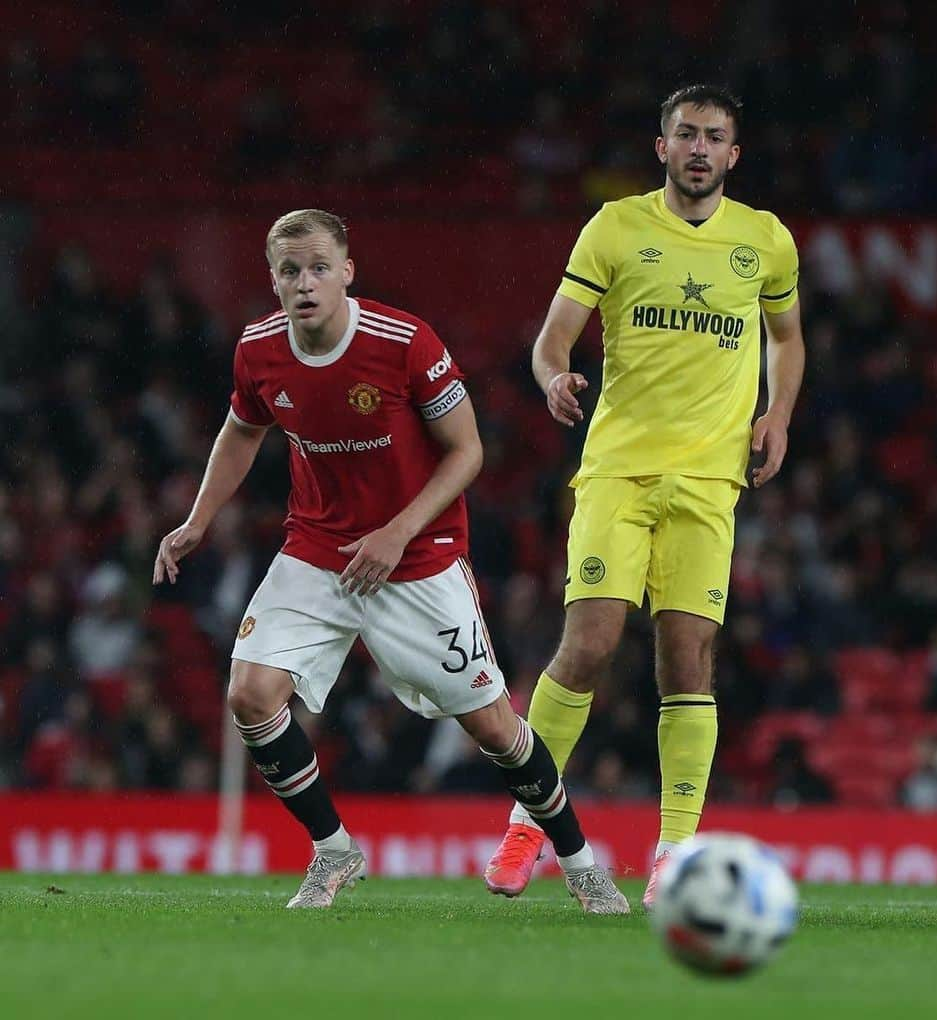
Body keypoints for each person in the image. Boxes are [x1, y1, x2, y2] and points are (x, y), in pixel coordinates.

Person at [152, 209, 627, 914]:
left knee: (495, 728)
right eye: (290, 271)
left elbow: (468, 451)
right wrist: (198, 519)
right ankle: (334, 851)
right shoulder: (257, 348)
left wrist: (398, 533)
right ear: (273, 281)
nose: (305, 283)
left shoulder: (402, 341)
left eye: (319, 268)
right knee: (250, 696)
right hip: (317, 549)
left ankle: (582, 862)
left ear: (347, 271)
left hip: (418, 557)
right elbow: (242, 430)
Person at [484, 84, 805, 908]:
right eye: (686, 134)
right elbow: (553, 335)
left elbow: (787, 337)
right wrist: (554, 375)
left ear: (735, 155)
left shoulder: (765, 241)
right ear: (661, 146)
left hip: (708, 481)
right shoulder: (616, 227)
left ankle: (676, 853)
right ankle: (527, 826)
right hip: (618, 471)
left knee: (687, 662)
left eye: (715, 138)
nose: (700, 148)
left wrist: (778, 413)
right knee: (587, 645)